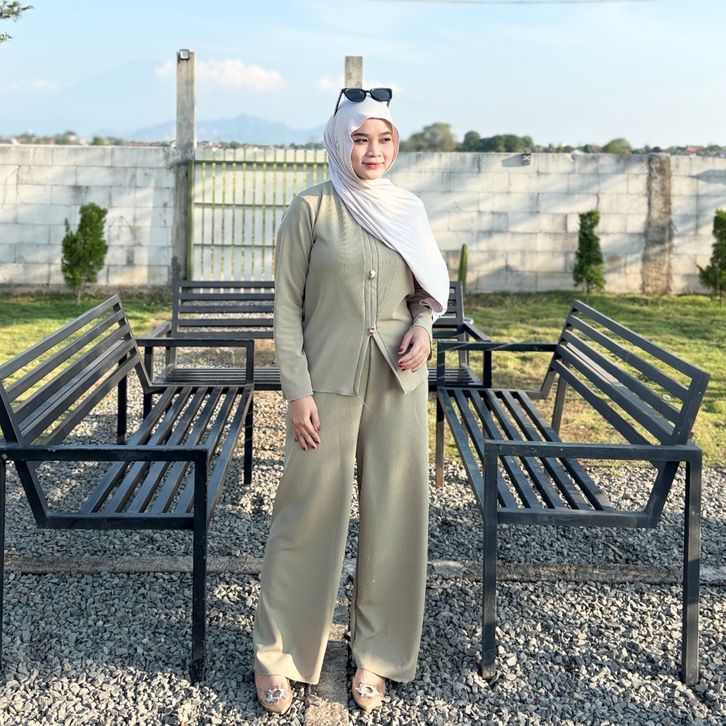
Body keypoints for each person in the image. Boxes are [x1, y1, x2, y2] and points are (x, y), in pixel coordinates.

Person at [251, 87, 450, 715]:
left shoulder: (407, 209)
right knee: (306, 516)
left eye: (384, 139)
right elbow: (285, 308)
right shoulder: (310, 209)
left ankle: (378, 655)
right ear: (339, 142)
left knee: (395, 518)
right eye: (360, 138)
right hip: (325, 388)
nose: (373, 151)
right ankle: (278, 652)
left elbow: (424, 293)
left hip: (398, 386)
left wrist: (424, 326)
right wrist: (297, 391)